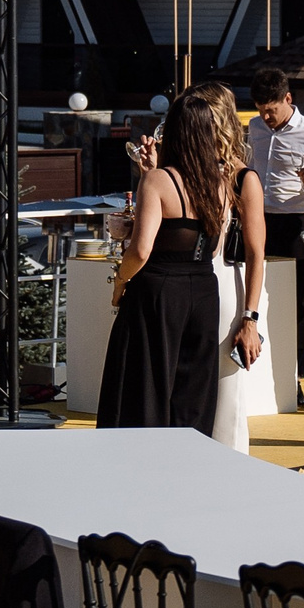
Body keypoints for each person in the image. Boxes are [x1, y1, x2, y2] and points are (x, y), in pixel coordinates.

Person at [99, 84, 263, 433]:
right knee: (192, 396)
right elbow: (213, 248)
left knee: (143, 390)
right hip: (204, 290)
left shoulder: (158, 181)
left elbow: (141, 250)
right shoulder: (223, 183)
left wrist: (120, 283)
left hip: (157, 292)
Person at [185, 81, 272, 451]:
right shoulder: (190, 172)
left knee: (228, 394)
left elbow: (256, 252)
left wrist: (249, 319)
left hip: (231, 286)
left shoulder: (243, 178)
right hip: (197, 284)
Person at [246, 68, 304, 392]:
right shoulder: (254, 127)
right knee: (255, 294)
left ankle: (294, 378)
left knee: (298, 302)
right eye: (261, 111)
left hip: (296, 222)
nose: (266, 117)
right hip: (258, 218)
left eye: (271, 110)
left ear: (288, 99)